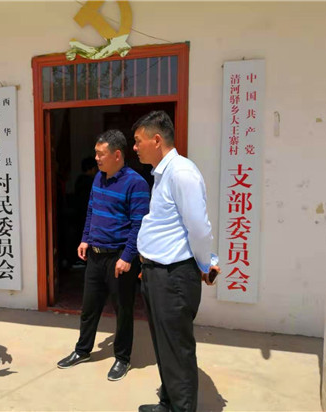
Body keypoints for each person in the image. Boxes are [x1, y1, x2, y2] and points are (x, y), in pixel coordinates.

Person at [132, 111, 220, 412]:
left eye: (138, 141)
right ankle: (168, 403)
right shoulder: (162, 174)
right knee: (164, 346)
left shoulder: (181, 173)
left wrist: (206, 265)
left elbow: (199, 228)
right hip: (157, 274)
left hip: (173, 277)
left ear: (157, 140)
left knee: (177, 350)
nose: (135, 148)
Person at [57, 129, 150, 381]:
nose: (96, 158)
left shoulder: (136, 183)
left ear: (117, 155)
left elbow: (139, 224)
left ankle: (122, 358)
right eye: (96, 154)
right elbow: (91, 211)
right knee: (89, 308)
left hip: (119, 257)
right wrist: (85, 238)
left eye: (101, 154)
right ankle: (82, 350)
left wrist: (127, 256)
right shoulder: (99, 178)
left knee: (123, 310)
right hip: (96, 255)